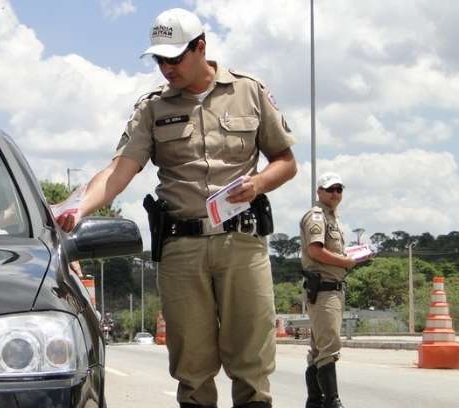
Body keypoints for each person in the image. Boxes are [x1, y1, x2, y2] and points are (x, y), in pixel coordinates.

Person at [57, 8, 296, 408]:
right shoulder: (152, 108)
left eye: (175, 58)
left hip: (242, 243)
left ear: (200, 47)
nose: (166, 68)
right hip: (182, 249)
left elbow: (286, 162)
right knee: (192, 367)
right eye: (159, 60)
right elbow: (119, 170)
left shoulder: (249, 91)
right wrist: (77, 209)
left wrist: (258, 184)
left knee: (251, 364)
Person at [299, 172, 367, 408]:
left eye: (339, 189)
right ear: (319, 192)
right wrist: (346, 262)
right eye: (331, 189)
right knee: (329, 348)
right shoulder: (317, 216)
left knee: (319, 349)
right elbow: (315, 251)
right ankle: (331, 401)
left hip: (331, 289)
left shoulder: (332, 217)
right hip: (324, 290)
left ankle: (315, 401)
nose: (336, 193)